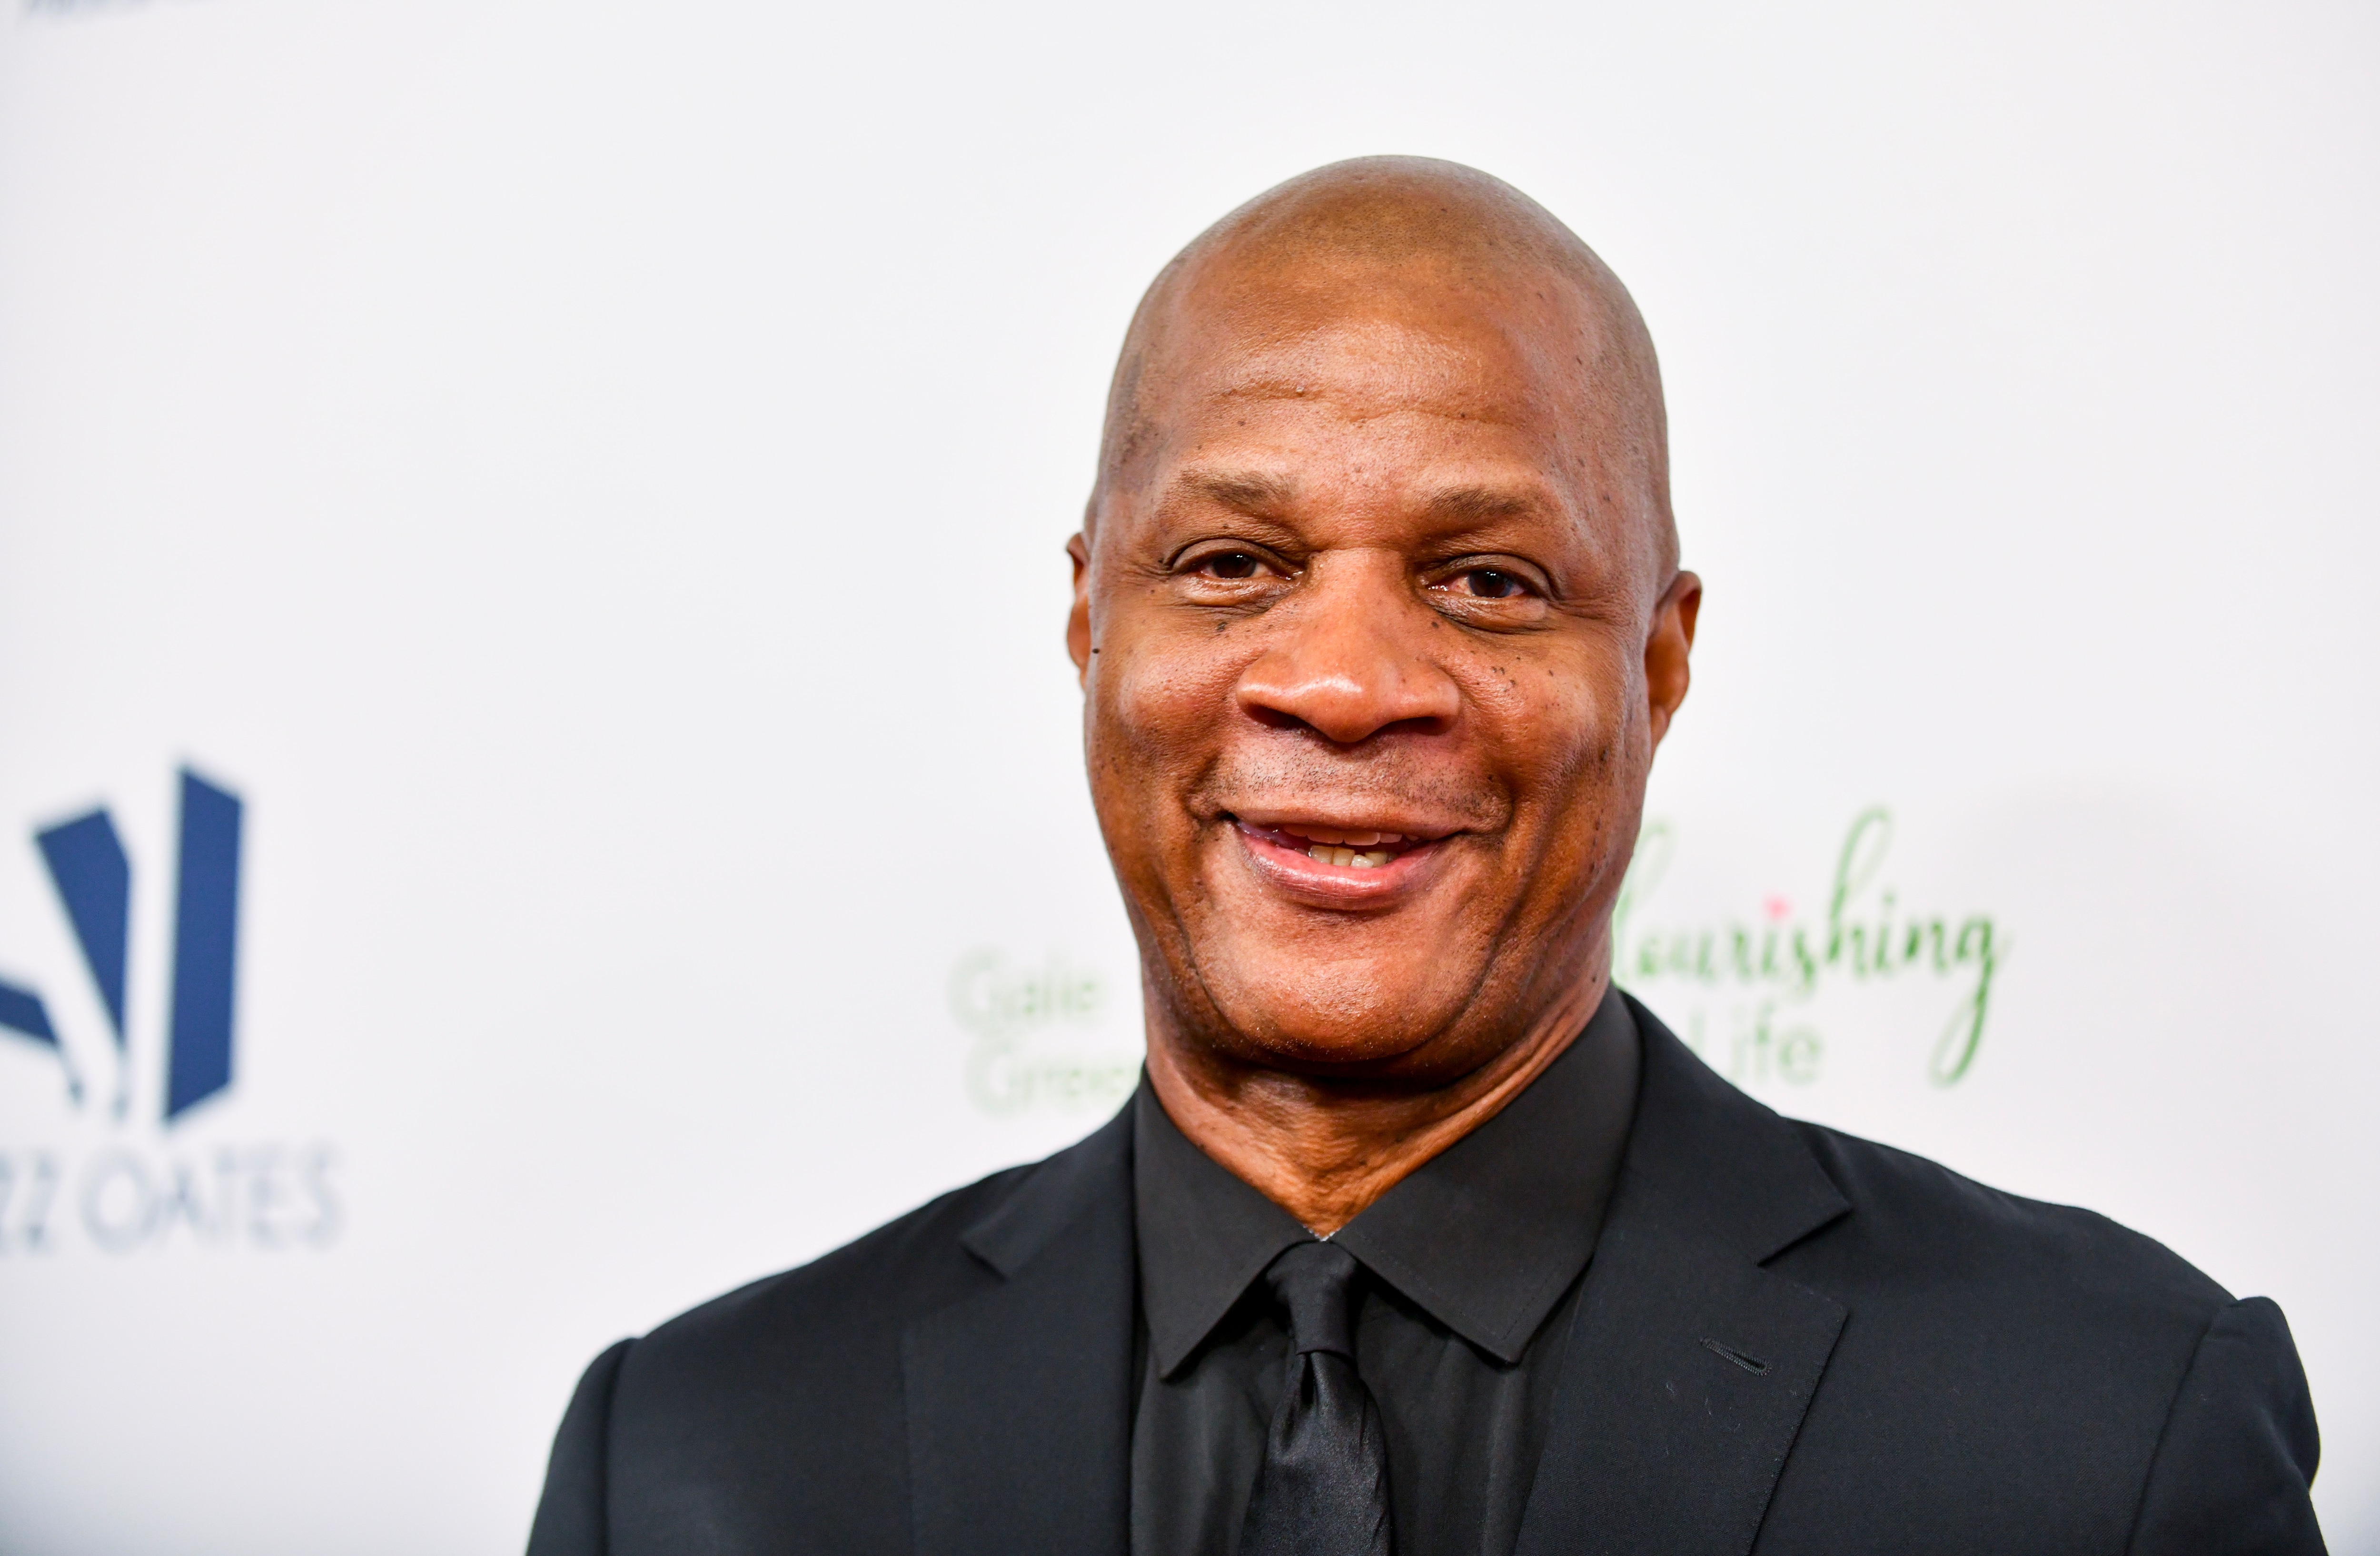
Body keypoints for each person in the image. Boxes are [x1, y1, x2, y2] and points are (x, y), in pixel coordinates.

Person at [526, 157, 2324, 1556]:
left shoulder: (2105, 1423)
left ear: (1661, 664)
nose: (1345, 685)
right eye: (1231, 562)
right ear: (1091, 620)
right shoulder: (697, 1460)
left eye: (1488, 582)